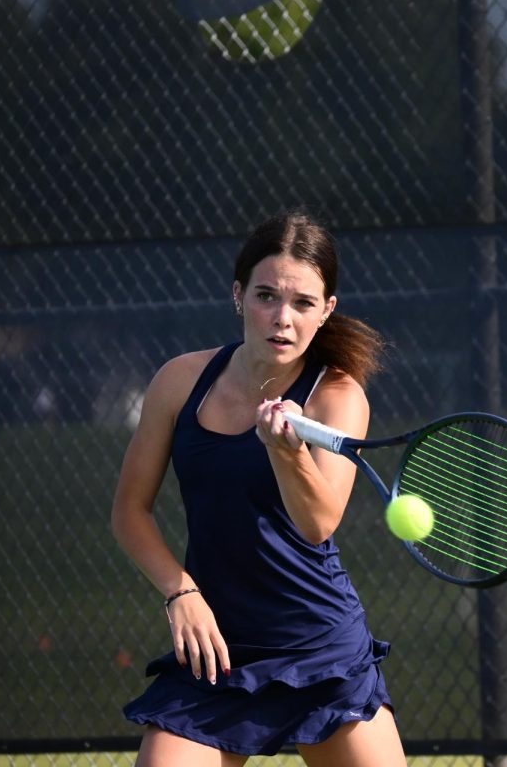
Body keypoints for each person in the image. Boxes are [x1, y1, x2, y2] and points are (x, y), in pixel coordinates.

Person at [111, 212, 406, 766]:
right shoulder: (180, 381)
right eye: (267, 296)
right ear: (239, 296)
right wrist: (181, 593)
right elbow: (129, 511)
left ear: (326, 312)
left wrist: (286, 451)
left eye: (301, 304)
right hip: (214, 653)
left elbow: (318, 524)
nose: (282, 318)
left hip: (319, 648)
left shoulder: (338, 398)